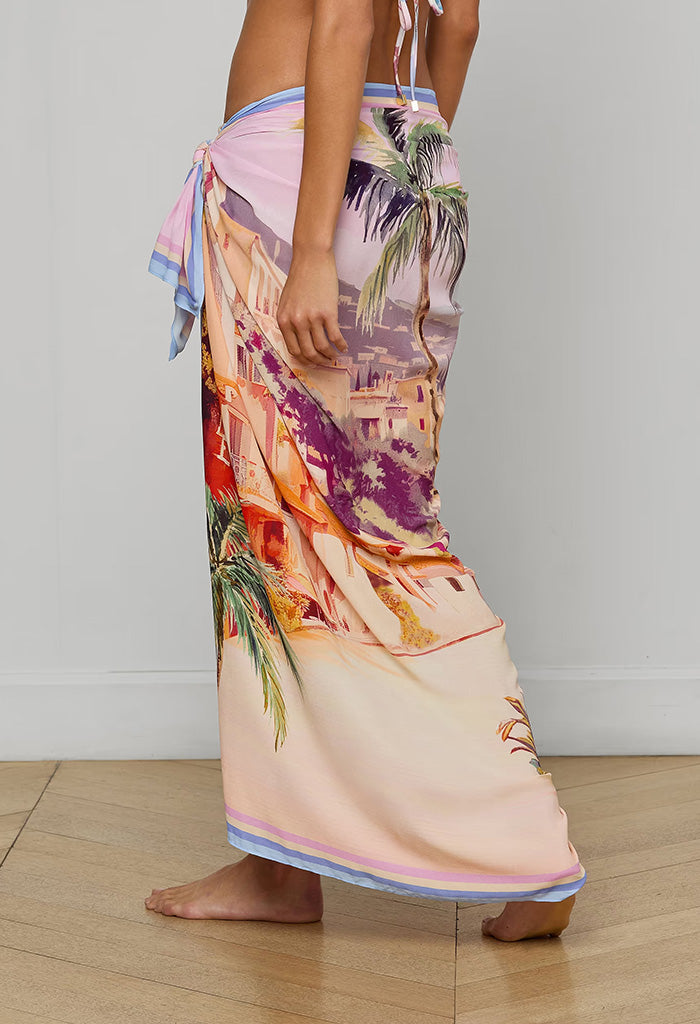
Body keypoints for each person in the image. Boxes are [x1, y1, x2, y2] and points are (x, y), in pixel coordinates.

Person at [145, 0, 586, 942]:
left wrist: (314, 248)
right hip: (405, 172)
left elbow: (343, 16)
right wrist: (400, 166)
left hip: (299, 189)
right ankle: (282, 863)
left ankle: (523, 838)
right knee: (377, 529)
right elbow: (458, 26)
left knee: (286, 534)